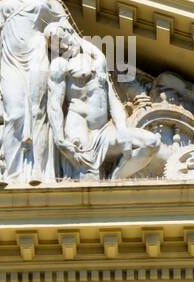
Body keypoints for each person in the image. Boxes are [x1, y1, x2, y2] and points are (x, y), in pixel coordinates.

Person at [0, 0, 69, 182]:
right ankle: (13, 174)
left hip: (38, 59)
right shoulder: (1, 7)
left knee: (39, 112)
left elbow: (71, 40)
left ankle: (39, 172)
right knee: (15, 113)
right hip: (11, 63)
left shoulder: (51, 5)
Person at [45, 23, 160, 181]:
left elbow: (113, 100)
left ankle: (115, 179)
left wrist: (121, 128)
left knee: (151, 143)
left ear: (69, 32)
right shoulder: (60, 65)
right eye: (59, 47)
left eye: (63, 39)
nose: (65, 46)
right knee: (87, 182)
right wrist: (59, 139)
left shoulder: (97, 62)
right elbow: (54, 105)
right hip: (80, 130)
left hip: (106, 131)